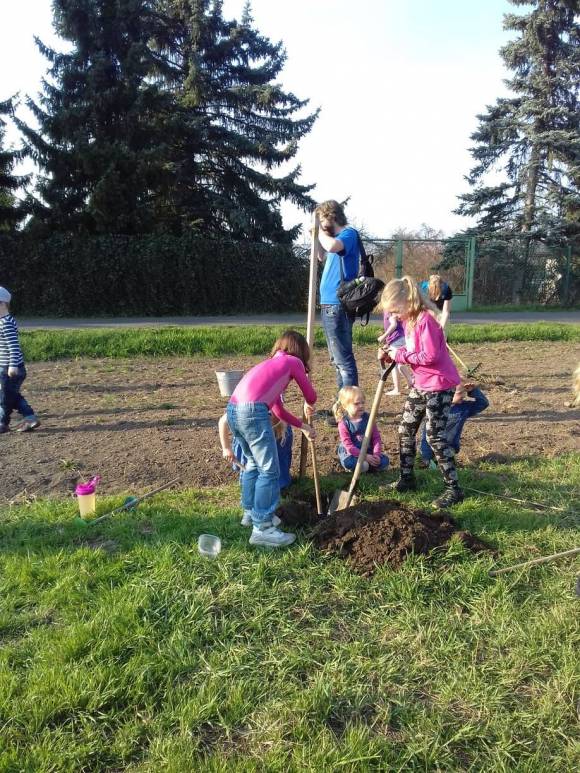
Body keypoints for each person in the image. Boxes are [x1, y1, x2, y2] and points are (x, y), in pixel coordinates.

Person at [226, 330, 316, 548]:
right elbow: (311, 396)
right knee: (269, 470)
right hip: (252, 413)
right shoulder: (292, 361)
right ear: (300, 350)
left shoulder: (271, 368)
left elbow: (279, 411)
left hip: (233, 410)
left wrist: (303, 426)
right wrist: (308, 392)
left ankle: (250, 513)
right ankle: (263, 528)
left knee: (253, 465)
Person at [379, 276, 464, 508]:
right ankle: (406, 479)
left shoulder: (425, 320)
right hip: (421, 383)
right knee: (405, 430)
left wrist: (400, 356)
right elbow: (413, 348)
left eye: (396, 311)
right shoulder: (410, 321)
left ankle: (453, 489)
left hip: (439, 385)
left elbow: (430, 356)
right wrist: (392, 351)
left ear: (408, 301)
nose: (393, 316)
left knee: (434, 437)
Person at [315, 200, 360, 404]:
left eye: (323, 220)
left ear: (332, 217)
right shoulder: (333, 238)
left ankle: (348, 406)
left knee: (343, 361)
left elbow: (332, 246)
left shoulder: (348, 235)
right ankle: (341, 403)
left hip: (338, 305)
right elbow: (320, 255)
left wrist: (320, 232)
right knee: (337, 360)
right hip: (330, 305)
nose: (322, 225)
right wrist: (316, 235)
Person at [218, 412, 293, 527]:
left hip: (269, 434)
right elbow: (223, 421)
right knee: (257, 471)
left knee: (268, 475)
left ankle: (261, 508)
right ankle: (252, 513)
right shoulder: (247, 408)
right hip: (252, 436)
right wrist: (226, 448)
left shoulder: (275, 416)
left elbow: (280, 412)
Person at [0, 286, 40, 434]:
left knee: (5, 397)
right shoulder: (3, 321)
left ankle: (3, 423)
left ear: (2, 304)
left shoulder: (6, 323)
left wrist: (12, 366)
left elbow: (14, 346)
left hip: (11, 369)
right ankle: (30, 418)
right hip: (4, 367)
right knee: (10, 395)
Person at [419, 382, 489, 466]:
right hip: (431, 447)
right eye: (460, 393)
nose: (463, 396)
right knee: (431, 467)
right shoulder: (435, 408)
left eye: (464, 392)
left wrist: (473, 391)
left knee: (447, 465)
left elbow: (483, 404)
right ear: (447, 393)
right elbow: (426, 434)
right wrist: (426, 456)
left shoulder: (463, 408)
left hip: (449, 448)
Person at [334, 386, 389, 473]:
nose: (361, 406)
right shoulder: (343, 423)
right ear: (345, 406)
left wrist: (376, 455)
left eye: (362, 403)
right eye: (356, 404)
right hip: (352, 454)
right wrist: (364, 457)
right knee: (354, 463)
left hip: (369, 451)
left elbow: (376, 438)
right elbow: (349, 446)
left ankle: (370, 465)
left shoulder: (369, 419)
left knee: (384, 461)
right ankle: (362, 466)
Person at [377, 311, 413, 395]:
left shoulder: (389, 309)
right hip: (401, 338)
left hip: (397, 339)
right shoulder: (395, 308)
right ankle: (410, 381)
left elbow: (394, 325)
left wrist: (383, 336)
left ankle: (397, 389)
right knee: (400, 363)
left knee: (394, 365)